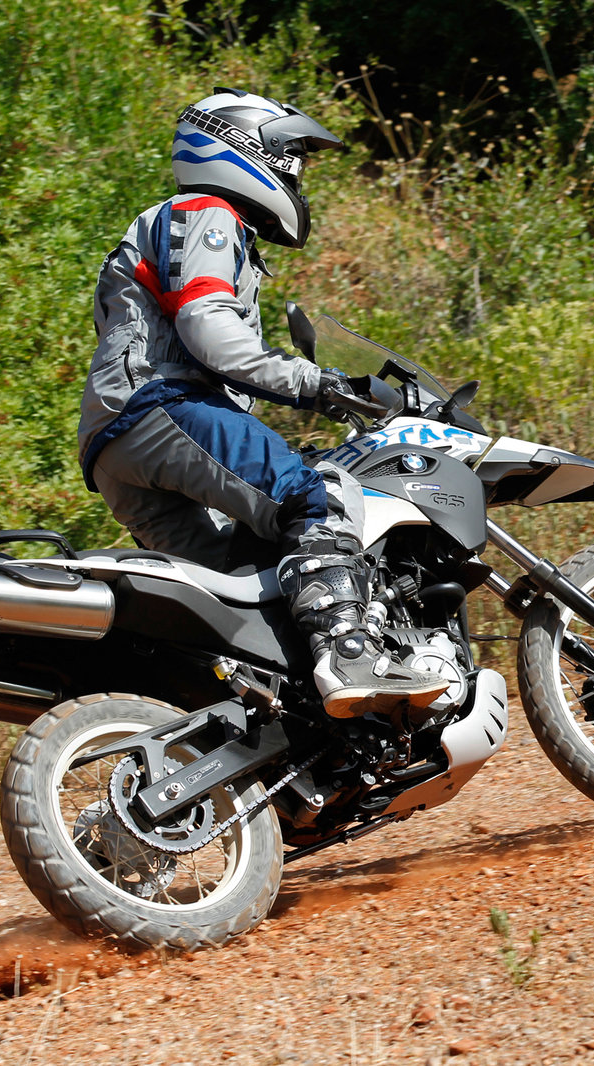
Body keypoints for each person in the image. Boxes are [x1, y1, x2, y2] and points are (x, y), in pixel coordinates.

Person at [76, 87, 447, 718]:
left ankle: (264, 729)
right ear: (245, 148)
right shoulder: (207, 211)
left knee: (239, 587)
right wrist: (315, 383)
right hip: (160, 409)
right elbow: (206, 325)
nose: (297, 173)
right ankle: (352, 656)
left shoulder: (180, 224)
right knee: (312, 499)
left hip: (120, 444)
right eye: (291, 156)